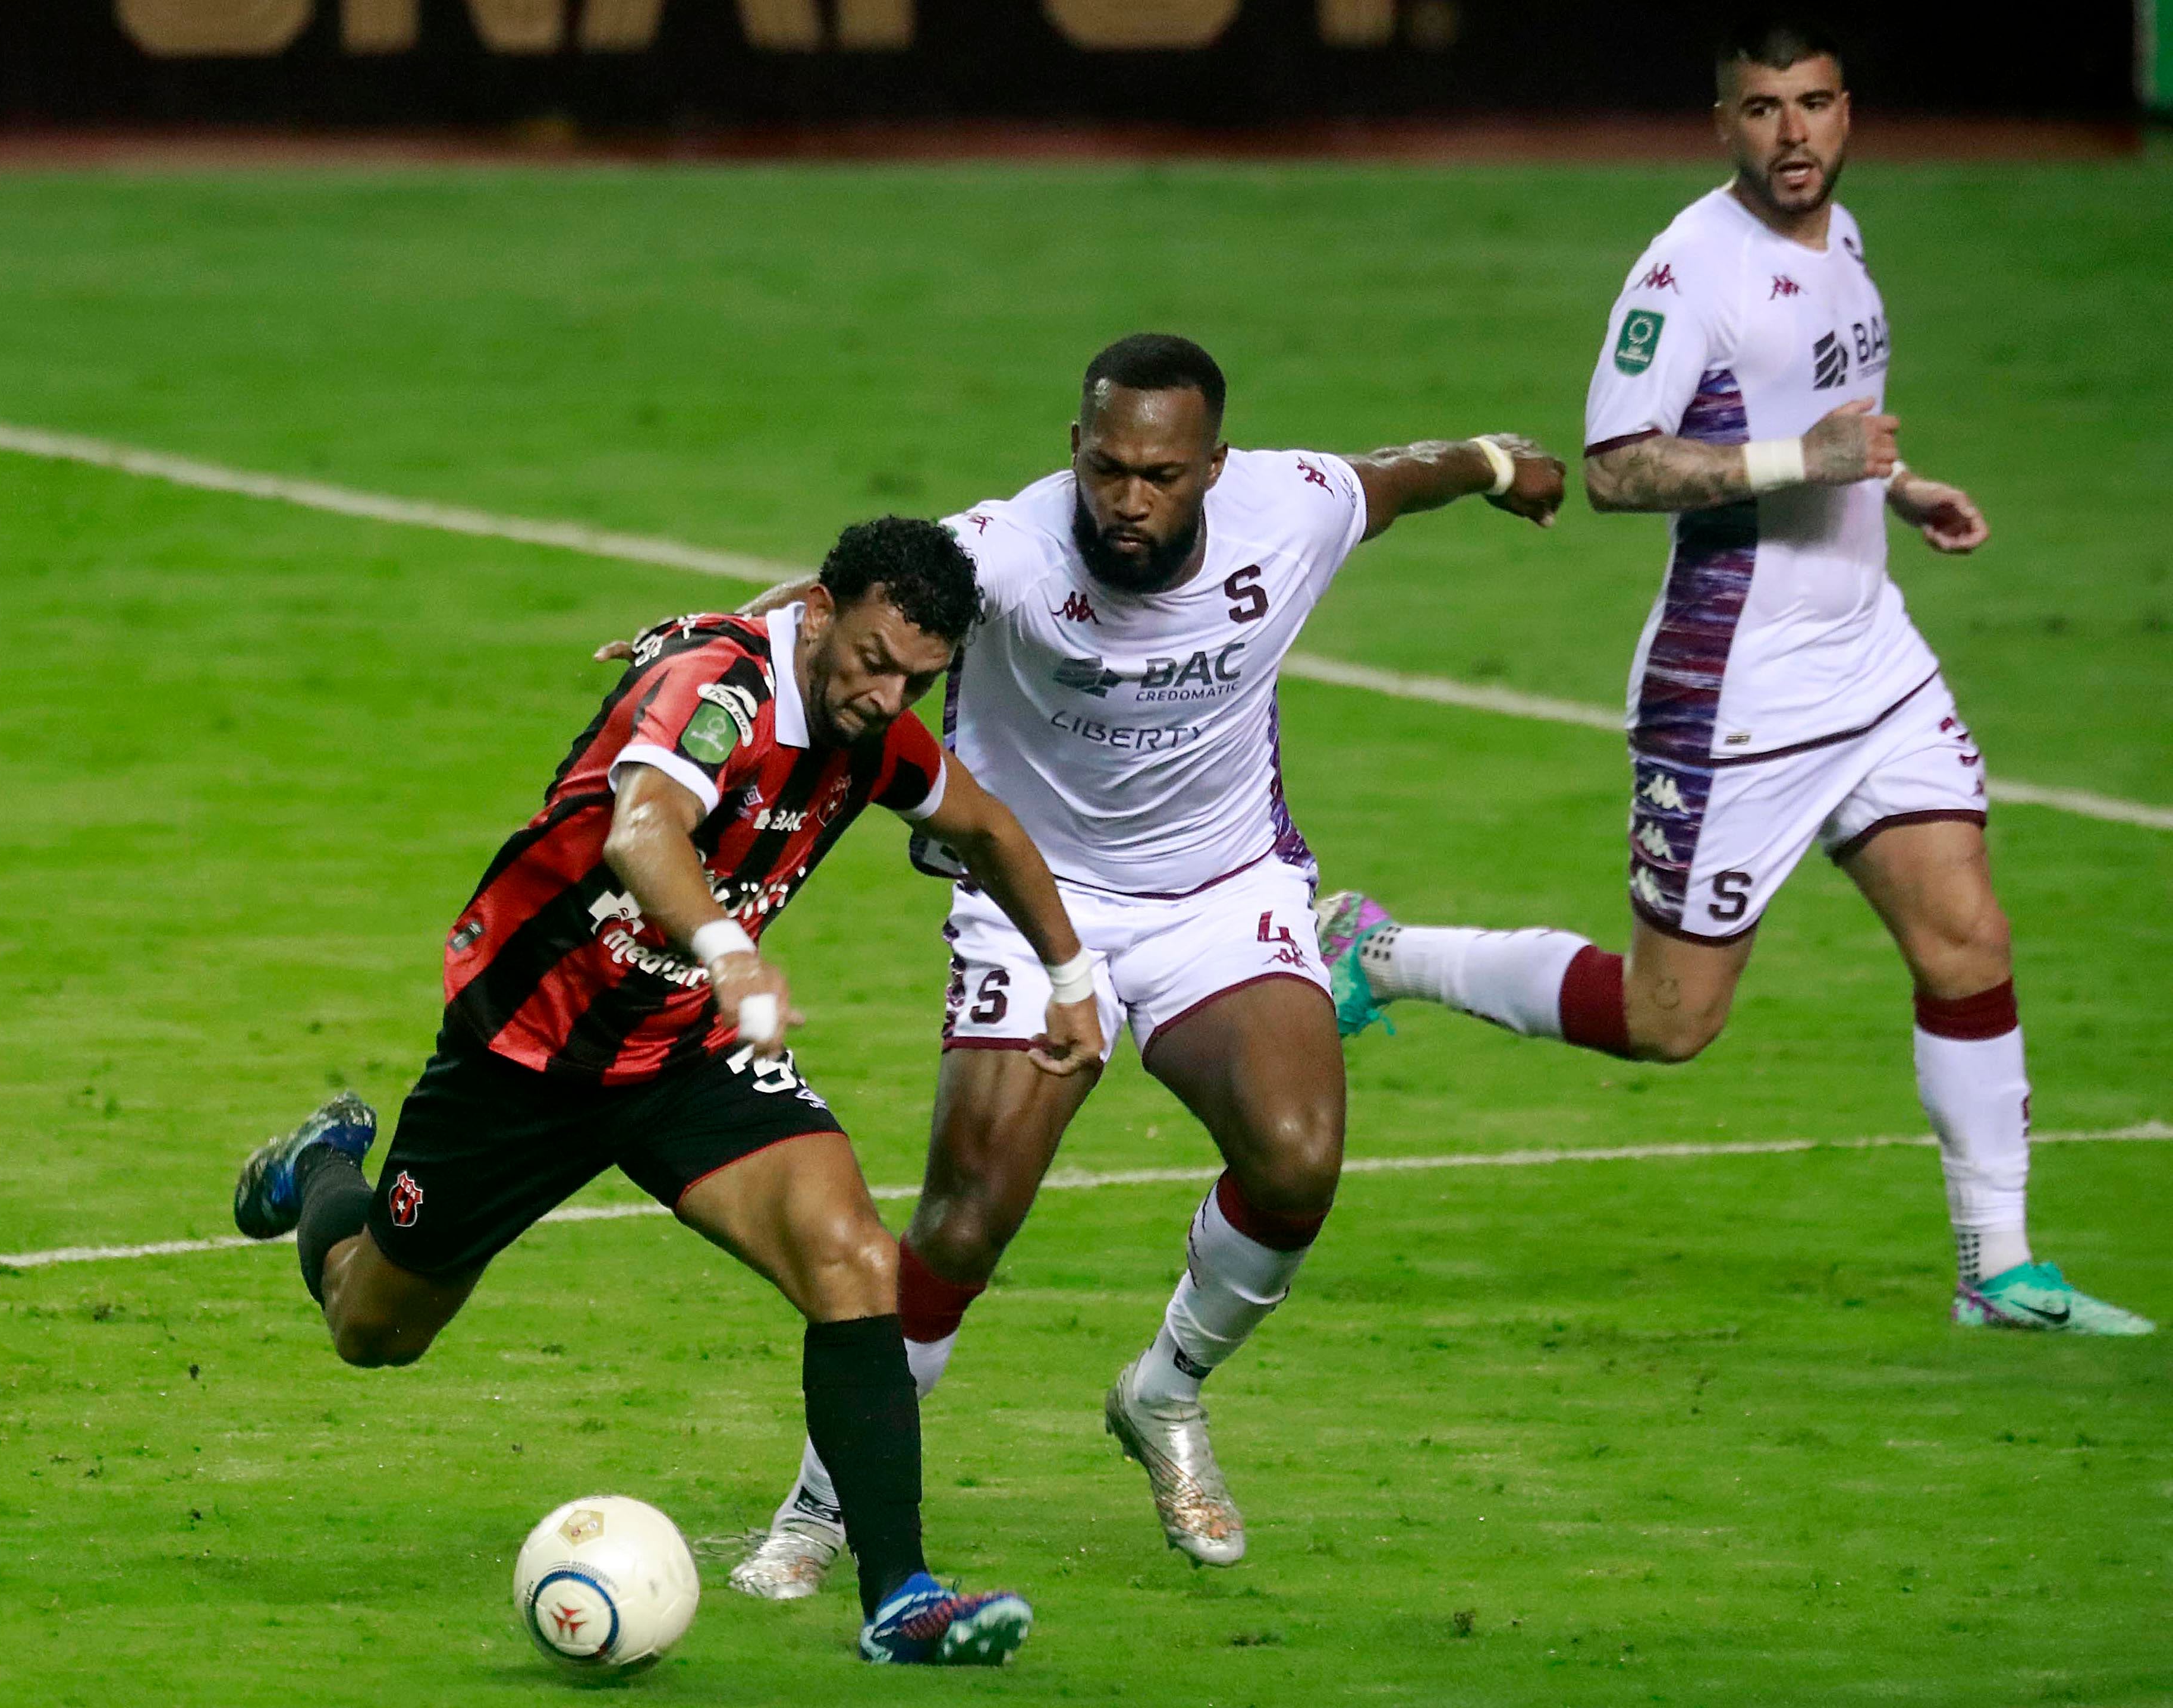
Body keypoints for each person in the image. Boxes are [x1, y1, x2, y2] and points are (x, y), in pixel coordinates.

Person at [605, 335, 1565, 1593]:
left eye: (1161, 475)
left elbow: (1405, 472)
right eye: (1107, 468)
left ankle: (1163, 1395)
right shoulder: (1008, 549)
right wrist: (717, 637)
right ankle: (823, 1504)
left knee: (1297, 1157)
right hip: (1028, 898)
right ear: (1076, 450)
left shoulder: (1295, 509)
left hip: (1222, 894)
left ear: (1213, 468)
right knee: (962, 1224)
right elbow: (854, 599)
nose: (1127, 499)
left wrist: (1498, 465)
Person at [1319, 17, 2151, 1336]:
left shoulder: (1846, 240)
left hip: (1869, 655)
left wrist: (1896, 481)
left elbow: (1826, 426)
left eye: (1814, 103)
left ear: (1845, 108)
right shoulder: (1685, 272)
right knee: (1670, 1021)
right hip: (1738, 689)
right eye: (1761, 109)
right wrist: (1800, 466)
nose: (1793, 134)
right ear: (1723, 123)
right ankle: (1389, 950)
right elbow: (1613, 465)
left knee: (1966, 939)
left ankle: (1996, 1269)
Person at [231, 516, 1109, 1666]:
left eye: (916, 678)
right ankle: (327, 1168)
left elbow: (987, 829)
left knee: (850, 1256)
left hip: (689, 1050)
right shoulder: (719, 691)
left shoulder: (873, 734)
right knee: (373, 1329)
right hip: (529, 1050)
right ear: (820, 610)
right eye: (872, 660)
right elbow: (644, 831)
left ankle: (901, 1595)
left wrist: (1073, 975)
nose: (886, 695)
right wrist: (729, 949)